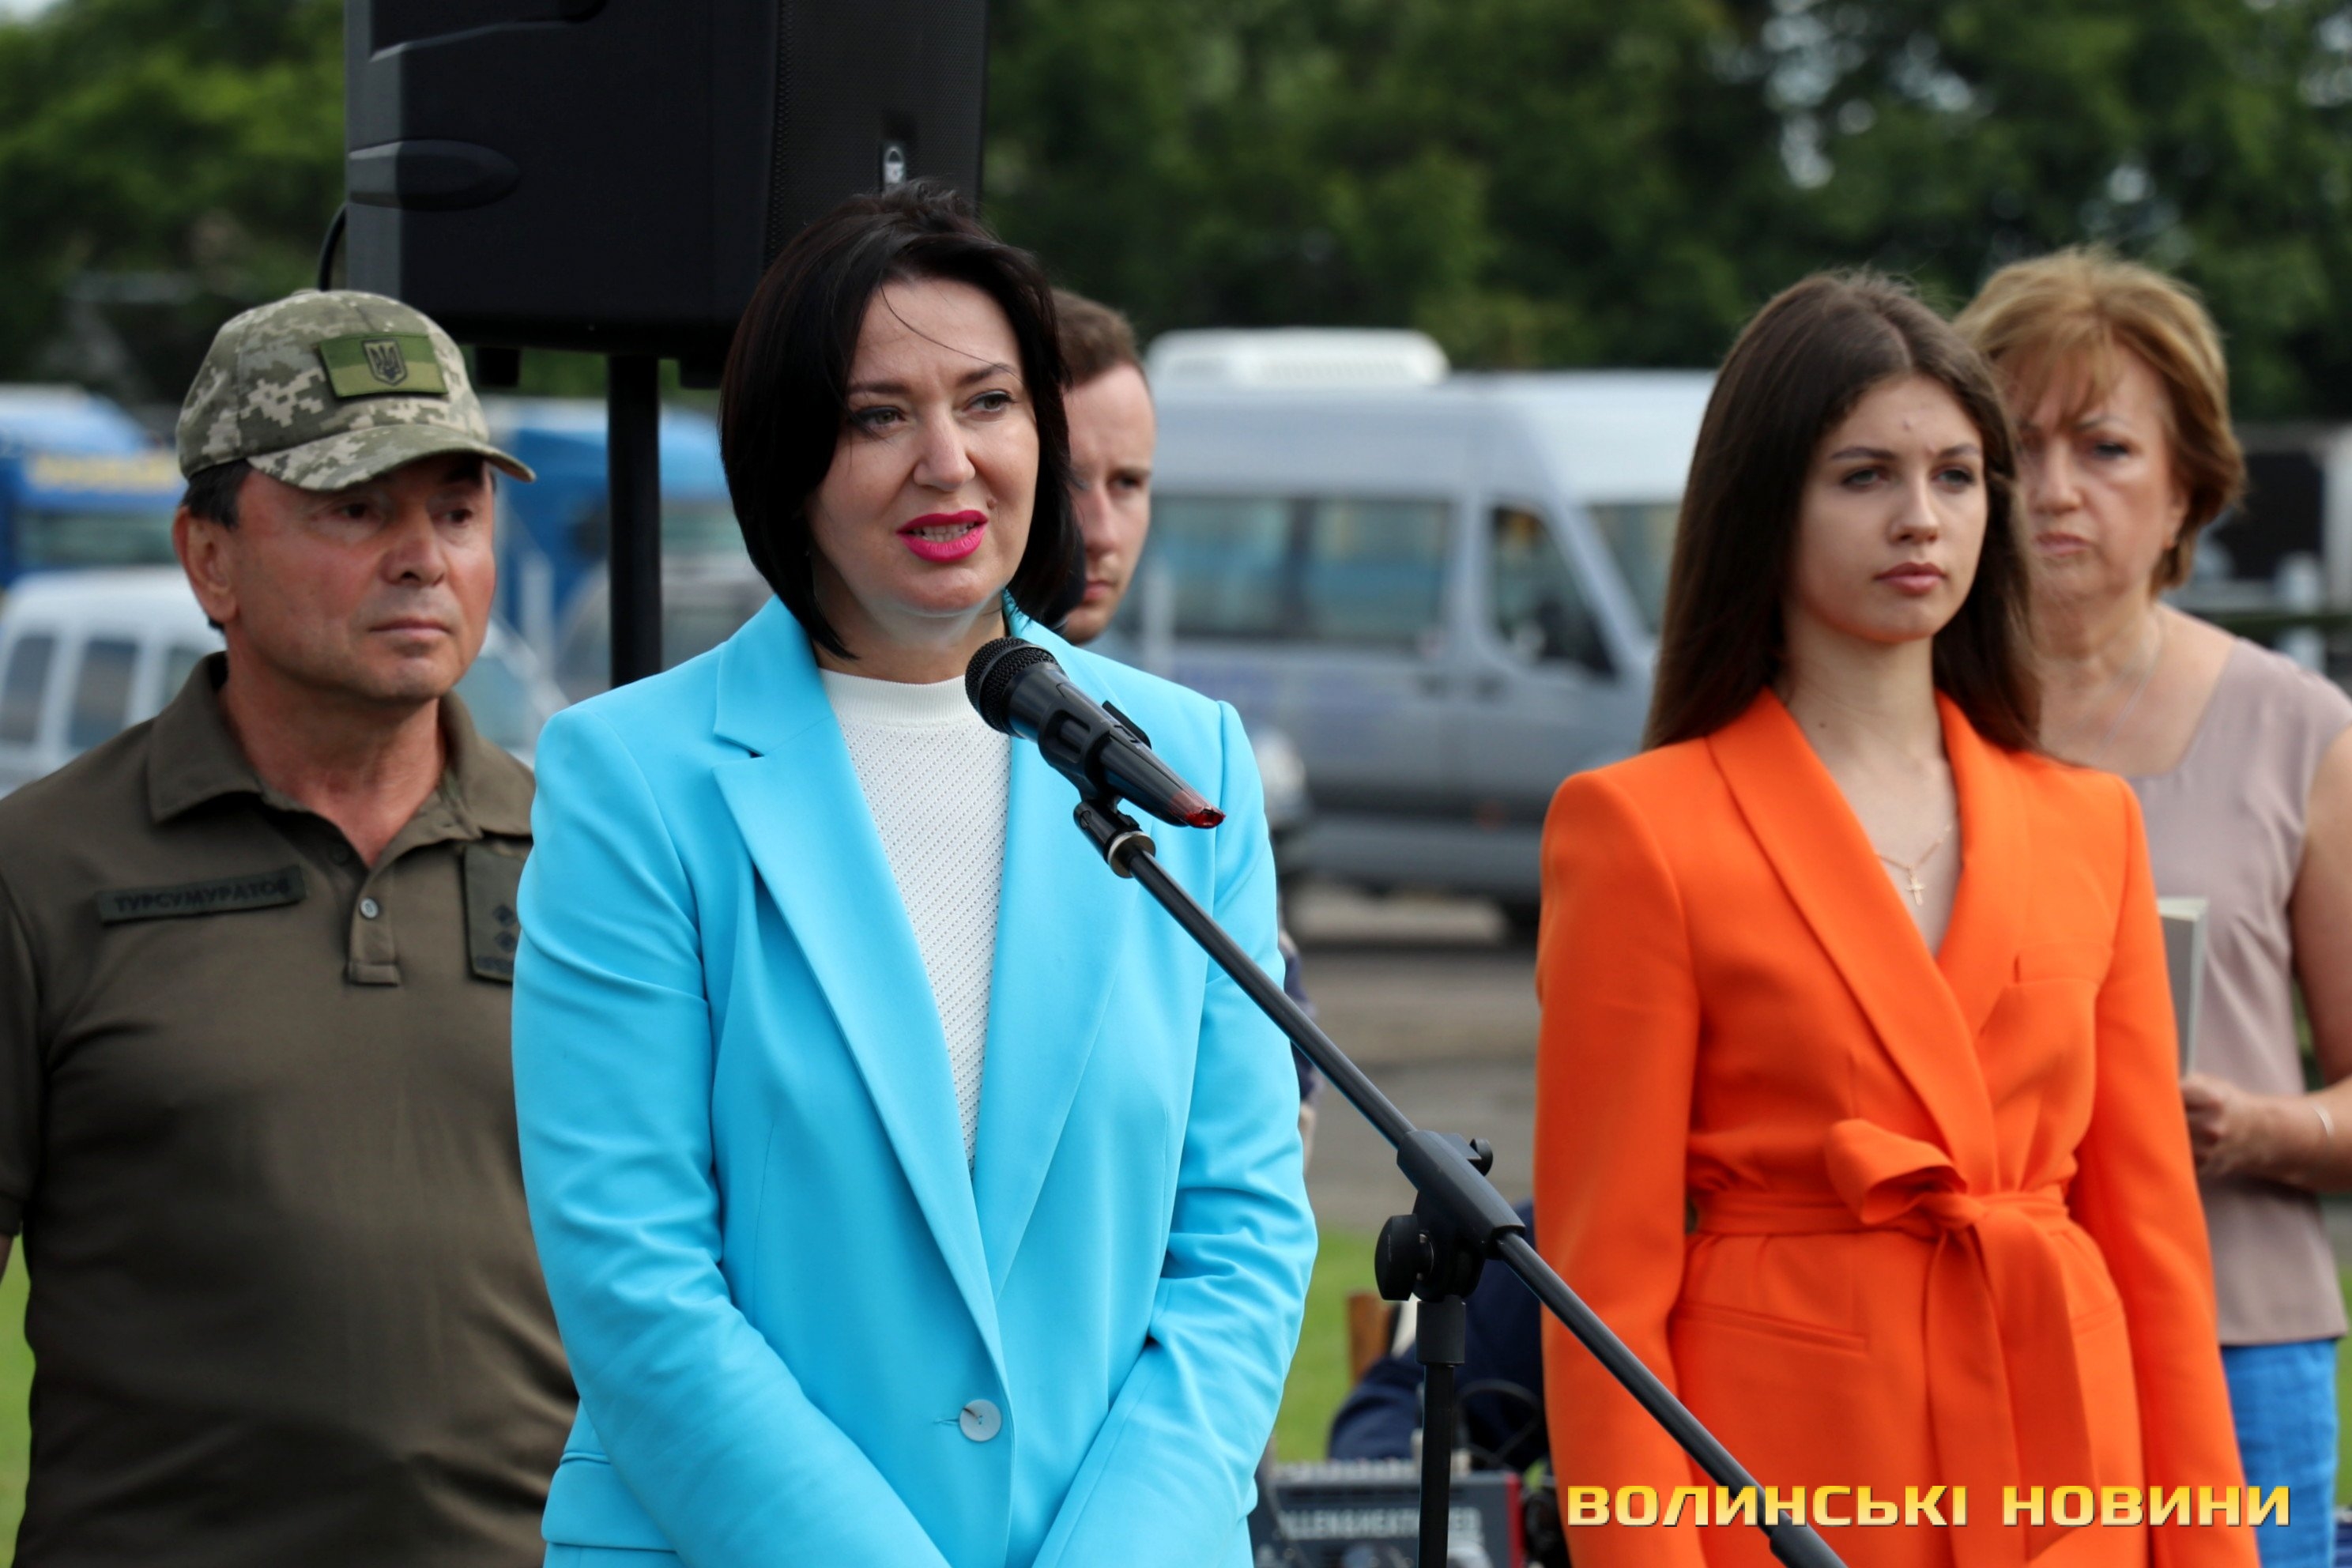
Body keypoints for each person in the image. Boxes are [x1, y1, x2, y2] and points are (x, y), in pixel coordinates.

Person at [511, 181, 1315, 1568]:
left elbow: (1242, 1237)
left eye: (988, 402)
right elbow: (636, 1282)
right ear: (786, 459)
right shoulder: (631, 779)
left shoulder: (1186, 762)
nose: (949, 462)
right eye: (877, 416)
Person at [1534, 272, 2252, 1567]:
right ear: (1766, 503)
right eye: (1864, 476)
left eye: (1957, 476)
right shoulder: (1639, 828)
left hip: (2063, 1473)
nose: (1920, 517)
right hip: (1790, 1481)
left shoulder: (2092, 823)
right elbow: (1602, 1295)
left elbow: (2157, 1252)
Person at [0, 291, 573, 1566]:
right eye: (356, 509)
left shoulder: (594, 868)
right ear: (209, 557)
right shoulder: (39, 872)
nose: (421, 557)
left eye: (457, 511)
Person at [1959, 250, 2352, 1568]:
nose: (2055, 487)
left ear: (2189, 484)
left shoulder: (2302, 729)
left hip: (2237, 1331)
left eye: (2106, 446)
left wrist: (2259, 1127)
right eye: (2017, 446)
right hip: (1969, 1329)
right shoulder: (1898, 720)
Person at [1051, 286, 1324, 1148]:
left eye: (1129, 483)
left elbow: (1274, 1095)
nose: (1103, 529)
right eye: (1068, 482)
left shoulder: (1187, 742)